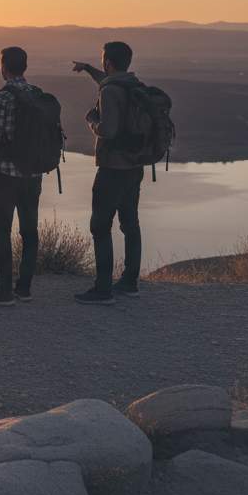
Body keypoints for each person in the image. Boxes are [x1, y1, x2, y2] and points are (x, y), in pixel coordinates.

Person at [72, 41, 143, 304]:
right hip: (134, 168)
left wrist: (91, 118)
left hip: (112, 168)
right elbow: (106, 81)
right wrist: (88, 69)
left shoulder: (110, 92)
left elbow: (108, 130)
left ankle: (102, 290)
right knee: (130, 223)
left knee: (100, 226)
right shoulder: (134, 84)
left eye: (102, 59)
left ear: (109, 61)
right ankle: (129, 282)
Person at [0, 46, 44, 306]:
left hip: (6, 175)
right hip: (34, 175)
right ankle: (24, 288)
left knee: (1, 232)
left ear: (3, 66)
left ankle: (3, 290)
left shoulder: (1, 97)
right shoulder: (38, 95)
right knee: (29, 231)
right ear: (25, 67)